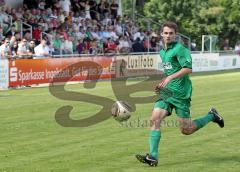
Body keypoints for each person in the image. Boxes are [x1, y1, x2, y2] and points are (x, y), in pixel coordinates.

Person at [135, 21, 224, 167]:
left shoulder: (180, 49)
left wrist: (170, 78)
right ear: (161, 34)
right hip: (167, 92)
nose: (168, 35)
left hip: (181, 94)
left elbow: (188, 68)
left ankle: (212, 115)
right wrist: (163, 82)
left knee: (186, 130)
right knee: (155, 118)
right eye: (166, 33)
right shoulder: (163, 52)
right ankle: (153, 156)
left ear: (175, 35)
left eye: (171, 33)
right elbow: (170, 71)